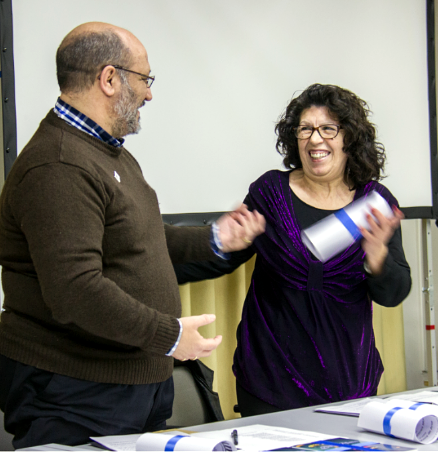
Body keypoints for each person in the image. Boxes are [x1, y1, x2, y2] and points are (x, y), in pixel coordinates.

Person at [0, 22, 265, 448]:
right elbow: (76, 290)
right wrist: (171, 336)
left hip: (124, 386)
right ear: (108, 78)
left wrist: (214, 239)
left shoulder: (106, 152)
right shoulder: (59, 165)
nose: (149, 93)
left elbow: (138, 239)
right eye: (145, 79)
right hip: (75, 392)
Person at [175, 83, 412, 417]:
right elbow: (222, 258)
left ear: (350, 138)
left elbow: (394, 292)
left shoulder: (374, 202)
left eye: (328, 129)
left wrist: (377, 259)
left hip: (350, 380)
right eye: (305, 129)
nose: (315, 139)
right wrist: (148, 265)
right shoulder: (271, 192)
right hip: (270, 379)